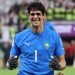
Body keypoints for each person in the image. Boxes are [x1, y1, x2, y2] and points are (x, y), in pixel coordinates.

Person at [7, 2, 66, 75]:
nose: (35, 17)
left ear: (43, 16)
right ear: (29, 16)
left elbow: (63, 62)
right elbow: (10, 63)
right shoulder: (19, 37)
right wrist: (10, 65)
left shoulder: (54, 36)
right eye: (32, 14)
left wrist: (58, 66)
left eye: (38, 14)